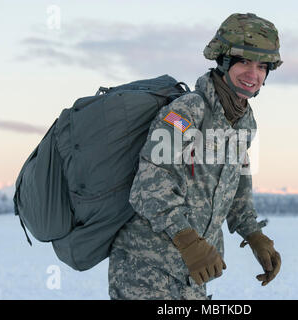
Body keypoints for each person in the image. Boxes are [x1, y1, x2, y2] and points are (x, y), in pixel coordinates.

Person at [108, 12, 282, 300]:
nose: (254, 74)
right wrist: (187, 240)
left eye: (262, 66)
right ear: (223, 61)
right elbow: (149, 185)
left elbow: (237, 186)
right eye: (244, 62)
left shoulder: (245, 123)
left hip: (193, 274)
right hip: (145, 269)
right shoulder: (187, 112)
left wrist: (254, 235)